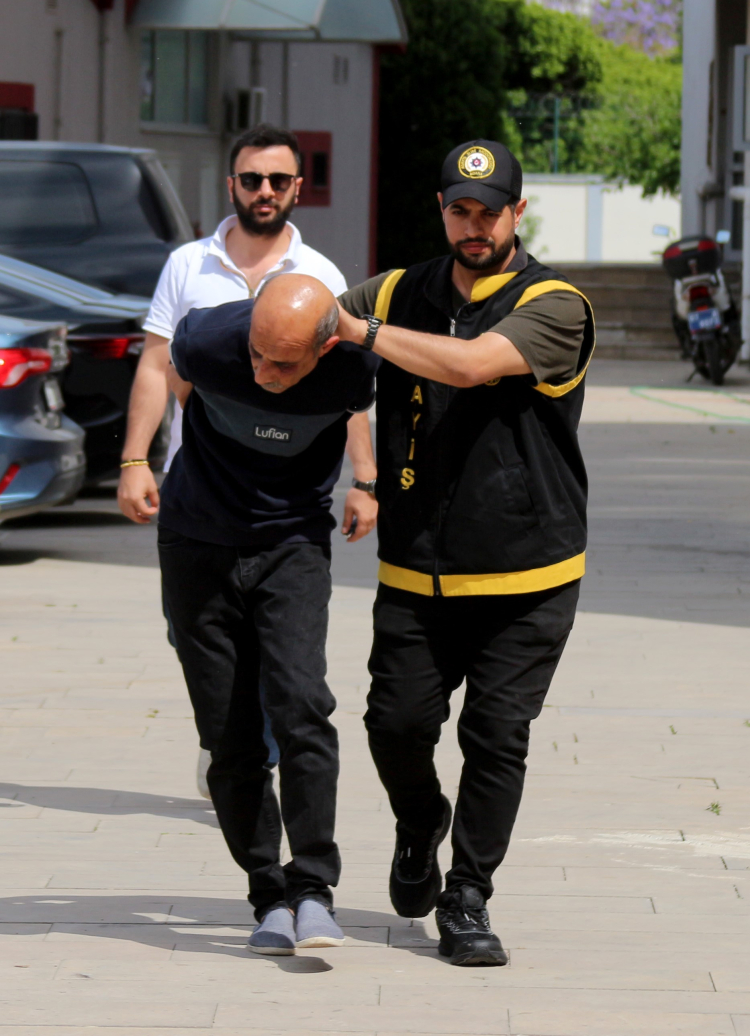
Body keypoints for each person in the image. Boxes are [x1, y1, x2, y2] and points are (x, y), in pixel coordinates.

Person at [337, 139, 595, 966]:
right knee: (394, 725)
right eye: (461, 210)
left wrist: (359, 331)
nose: (474, 226)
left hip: (529, 569)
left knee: (496, 734)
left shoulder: (555, 303)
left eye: (490, 212)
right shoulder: (397, 291)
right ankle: (420, 821)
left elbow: (474, 364)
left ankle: (468, 895)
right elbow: (313, 324)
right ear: (442, 211)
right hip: (417, 565)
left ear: (519, 212)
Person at [117, 123, 369, 794]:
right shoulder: (187, 265)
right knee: (187, 631)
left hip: (285, 500)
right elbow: (156, 364)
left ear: (297, 188)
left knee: (274, 638)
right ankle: (230, 732)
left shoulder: (321, 277)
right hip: (197, 490)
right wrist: (135, 460)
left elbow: (345, 393)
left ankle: (246, 751)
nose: (265, 191)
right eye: (252, 179)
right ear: (232, 184)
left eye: (278, 180)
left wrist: (365, 480)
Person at [154, 274, 379, 954]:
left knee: (301, 703)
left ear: (323, 348)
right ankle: (267, 896)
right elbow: (172, 376)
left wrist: (366, 482)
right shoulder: (205, 339)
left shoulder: (353, 367)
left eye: (283, 364)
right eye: (256, 355)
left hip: (293, 544)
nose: (263, 373)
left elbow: (355, 412)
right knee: (228, 734)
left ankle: (313, 890)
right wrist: (139, 458)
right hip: (196, 541)